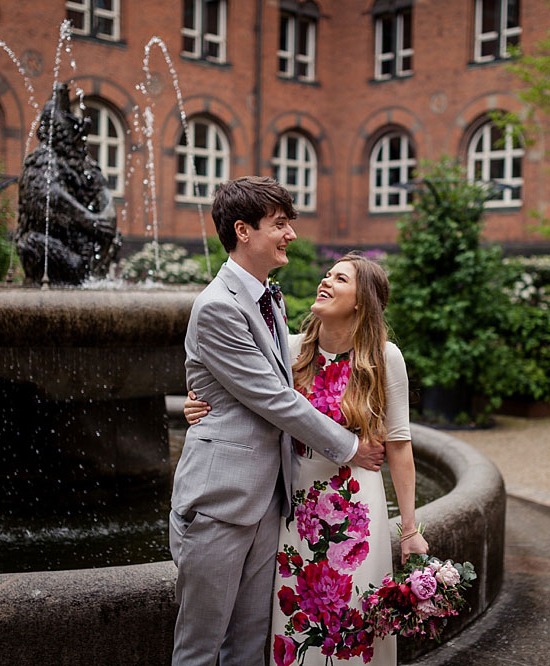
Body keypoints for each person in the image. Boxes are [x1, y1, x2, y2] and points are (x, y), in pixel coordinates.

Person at [170, 177, 386, 666]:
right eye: (280, 224)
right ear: (243, 231)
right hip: (220, 503)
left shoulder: (272, 299)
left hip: (271, 500)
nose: (291, 234)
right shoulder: (218, 307)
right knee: (200, 651)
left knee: (248, 647)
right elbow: (274, 398)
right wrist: (350, 448)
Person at [184, 252, 429, 666]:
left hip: (357, 518)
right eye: (327, 274)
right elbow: (249, 396)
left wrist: (409, 530)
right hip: (294, 514)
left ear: (360, 300)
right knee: (297, 632)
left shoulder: (387, 358)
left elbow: (399, 446)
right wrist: (200, 407)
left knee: (354, 629)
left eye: (340, 279)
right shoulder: (291, 350)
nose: (326, 281)